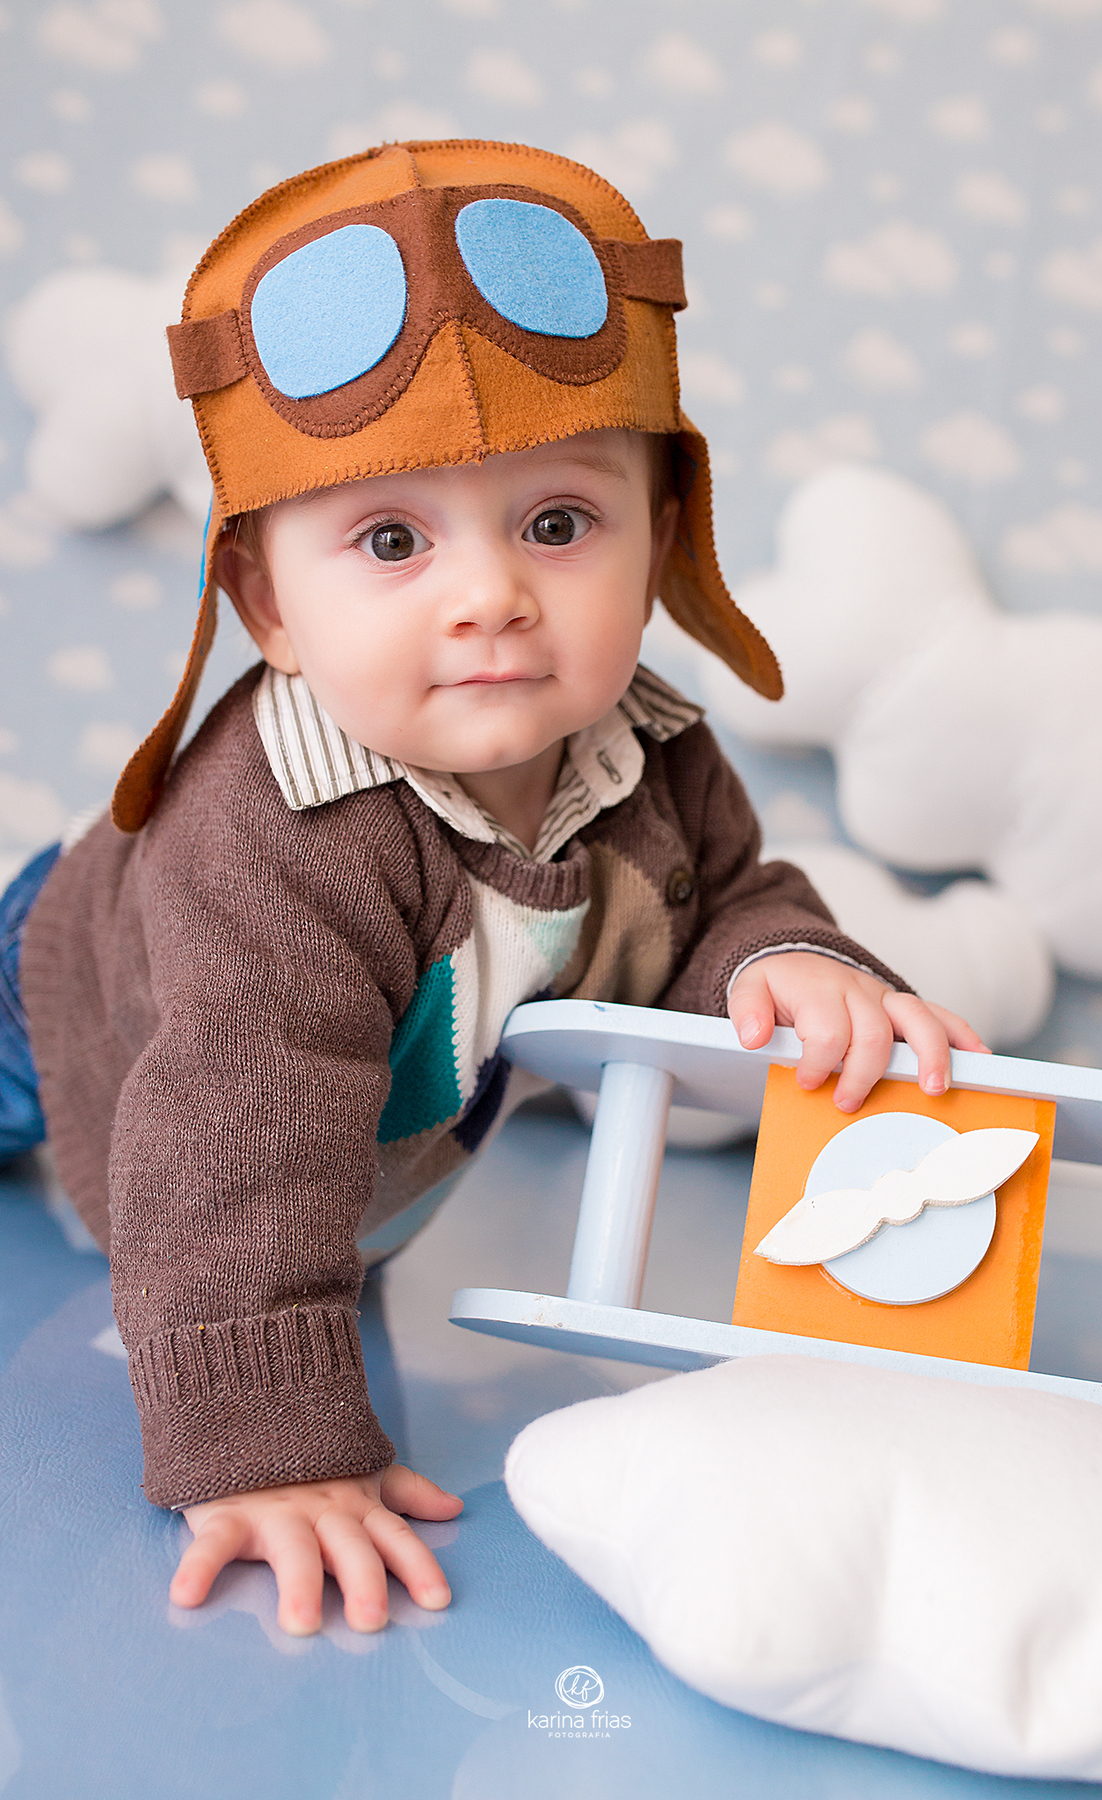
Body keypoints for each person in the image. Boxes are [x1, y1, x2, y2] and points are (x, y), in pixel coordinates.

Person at [6, 140, 985, 1638]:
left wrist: (786, 957)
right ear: (269, 604)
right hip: (61, 995)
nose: (491, 596)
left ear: (660, 539)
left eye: (557, 523)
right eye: (391, 540)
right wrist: (268, 1449)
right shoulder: (279, 842)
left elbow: (724, 892)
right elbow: (233, 1142)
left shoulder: (650, 749)